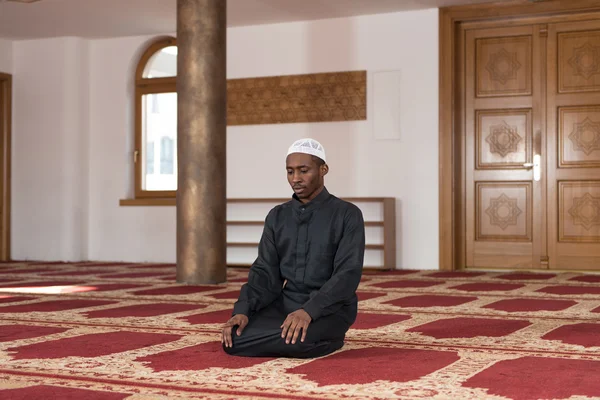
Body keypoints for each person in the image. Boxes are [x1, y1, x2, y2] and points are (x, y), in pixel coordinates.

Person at [221, 138, 366, 358]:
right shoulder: (277, 216)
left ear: (323, 169)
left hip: (331, 308)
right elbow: (264, 271)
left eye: (303, 171)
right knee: (234, 338)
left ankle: (329, 337)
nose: (295, 179)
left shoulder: (347, 214)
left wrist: (309, 311)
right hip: (286, 305)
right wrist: (243, 311)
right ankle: (300, 338)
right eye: (290, 172)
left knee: (299, 339)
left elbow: (347, 275)